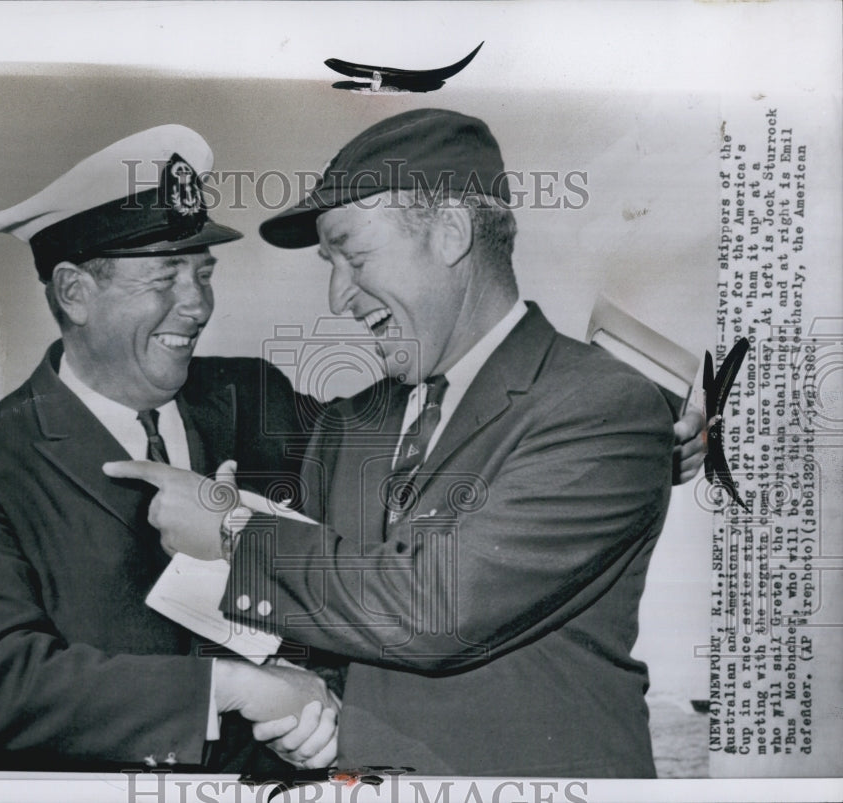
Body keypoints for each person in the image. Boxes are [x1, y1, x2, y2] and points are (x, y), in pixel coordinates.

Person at [109, 109, 701, 777]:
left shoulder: (604, 404)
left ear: (451, 233)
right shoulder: (350, 424)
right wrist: (311, 703)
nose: (338, 296)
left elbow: (433, 607)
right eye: (329, 265)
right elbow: (335, 618)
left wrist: (233, 532)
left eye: (354, 256)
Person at [0, 125, 338, 772]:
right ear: (73, 292)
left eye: (202, 273)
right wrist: (232, 687)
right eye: (164, 278)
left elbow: (366, 558)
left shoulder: (256, 397)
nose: (196, 304)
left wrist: (320, 697)